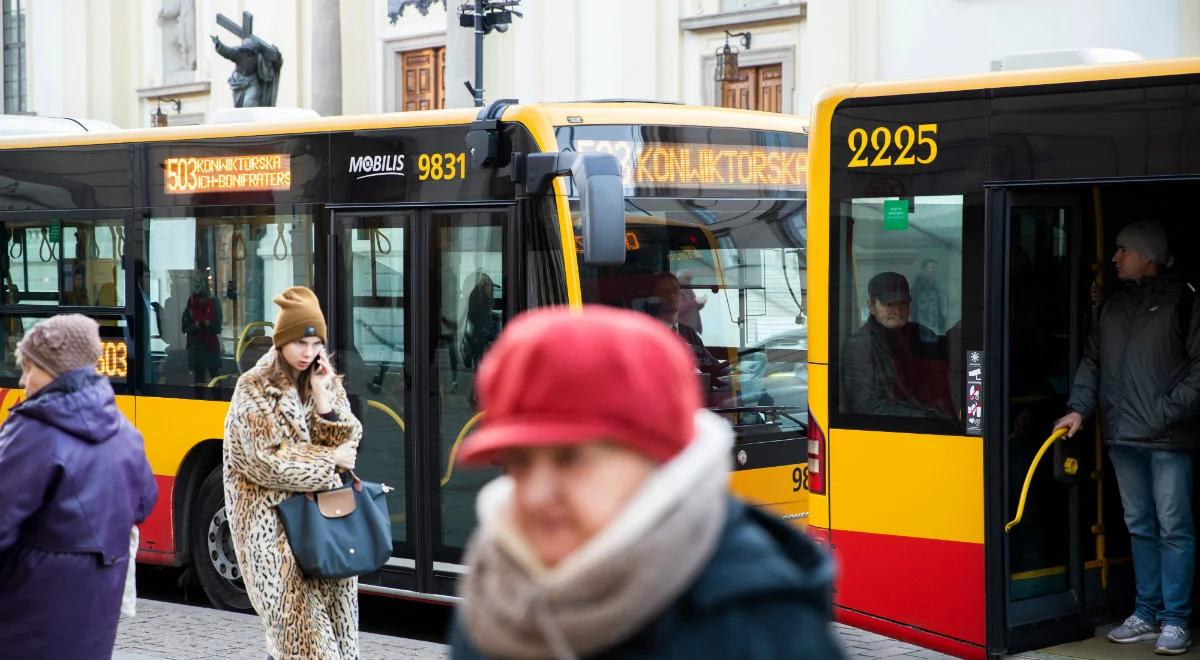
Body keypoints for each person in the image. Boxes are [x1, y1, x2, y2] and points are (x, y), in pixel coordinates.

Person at [449, 306, 842, 659]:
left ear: (660, 461)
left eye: (571, 459)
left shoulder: (760, 623)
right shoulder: (495, 594)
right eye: (518, 462)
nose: (536, 494)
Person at [1054, 221, 1200, 655]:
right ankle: (1146, 612)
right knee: (1139, 526)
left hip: (1168, 438)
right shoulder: (1111, 307)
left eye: (1123, 250)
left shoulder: (1186, 300)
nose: (1114, 258)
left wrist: (1165, 412)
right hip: (1123, 437)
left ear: (1147, 255)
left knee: (1175, 528)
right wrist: (1079, 408)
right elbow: (1092, 362)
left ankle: (1176, 620)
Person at [0, 314, 158, 657]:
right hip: (95, 619)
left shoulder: (32, 431)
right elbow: (145, 501)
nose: (24, 380)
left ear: (58, 369)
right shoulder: (125, 431)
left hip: (28, 618)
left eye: (31, 368)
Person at [223, 286, 364, 659]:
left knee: (321, 645)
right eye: (301, 342)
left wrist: (323, 400)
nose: (309, 351)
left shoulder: (325, 378)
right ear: (281, 340)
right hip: (273, 538)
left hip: (324, 533)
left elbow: (350, 443)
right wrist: (327, 460)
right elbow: (261, 459)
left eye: (316, 342)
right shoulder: (253, 388)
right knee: (305, 645)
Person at [841, 271, 954, 419]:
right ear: (871, 306)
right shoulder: (859, 346)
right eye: (889, 304)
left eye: (903, 303)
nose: (897, 311)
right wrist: (926, 417)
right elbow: (866, 405)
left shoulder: (919, 333)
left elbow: (950, 357)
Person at [649, 272, 727, 383]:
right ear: (655, 297)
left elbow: (713, 367)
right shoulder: (649, 334)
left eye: (675, 290)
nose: (671, 296)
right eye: (665, 292)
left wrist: (737, 372)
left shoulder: (688, 332)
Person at [182, 277, 223, 385]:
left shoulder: (214, 303)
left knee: (215, 378)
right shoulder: (190, 305)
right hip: (196, 348)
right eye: (198, 297)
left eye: (202, 297)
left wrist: (209, 324)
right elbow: (185, 328)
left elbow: (218, 328)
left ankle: (217, 400)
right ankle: (200, 401)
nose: (200, 300)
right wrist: (196, 325)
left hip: (210, 347)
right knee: (199, 380)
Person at [911, 259, 945, 343]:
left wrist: (940, 317)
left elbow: (938, 304)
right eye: (930, 268)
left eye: (934, 268)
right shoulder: (918, 284)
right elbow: (913, 303)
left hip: (933, 320)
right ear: (924, 269)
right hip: (922, 320)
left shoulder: (936, 284)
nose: (932, 270)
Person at [677, 270, 708, 334]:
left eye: (691, 278)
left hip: (693, 329)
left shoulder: (689, 289)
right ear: (679, 278)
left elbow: (693, 308)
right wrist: (696, 302)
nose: (690, 280)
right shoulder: (675, 290)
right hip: (684, 330)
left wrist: (701, 303)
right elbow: (678, 309)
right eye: (687, 278)